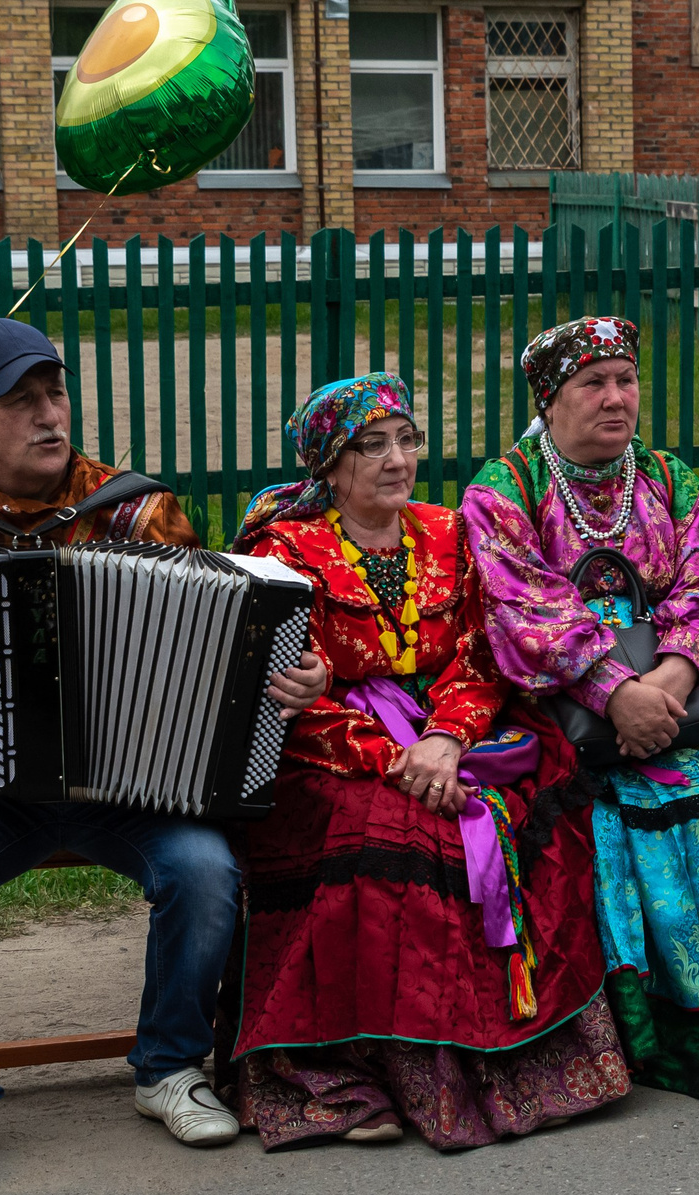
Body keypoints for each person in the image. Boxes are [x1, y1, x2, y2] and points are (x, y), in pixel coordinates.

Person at [0, 318, 329, 1179]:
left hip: (130, 785)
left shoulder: (136, 510)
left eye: (54, 393)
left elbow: (223, 643)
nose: (47, 415)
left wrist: (292, 677)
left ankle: (169, 1068)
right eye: (19, 400)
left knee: (207, 871)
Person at [221, 374, 629, 1148]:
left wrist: (443, 740)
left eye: (406, 441)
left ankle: (511, 1063)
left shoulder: (447, 531)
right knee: (386, 838)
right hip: (333, 745)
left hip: (453, 730)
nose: (397, 459)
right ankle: (345, 1076)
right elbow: (291, 692)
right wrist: (394, 758)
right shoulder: (283, 552)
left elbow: (480, 655)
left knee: (528, 824)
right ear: (331, 467)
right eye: (372, 446)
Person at [459, 316, 699, 1102]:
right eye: (591, 384)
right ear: (549, 398)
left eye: (625, 381)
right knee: (607, 824)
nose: (615, 398)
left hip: (672, 703)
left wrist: (667, 681)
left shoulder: (673, 479)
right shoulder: (504, 490)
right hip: (558, 713)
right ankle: (632, 1032)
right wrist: (613, 693)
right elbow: (519, 608)